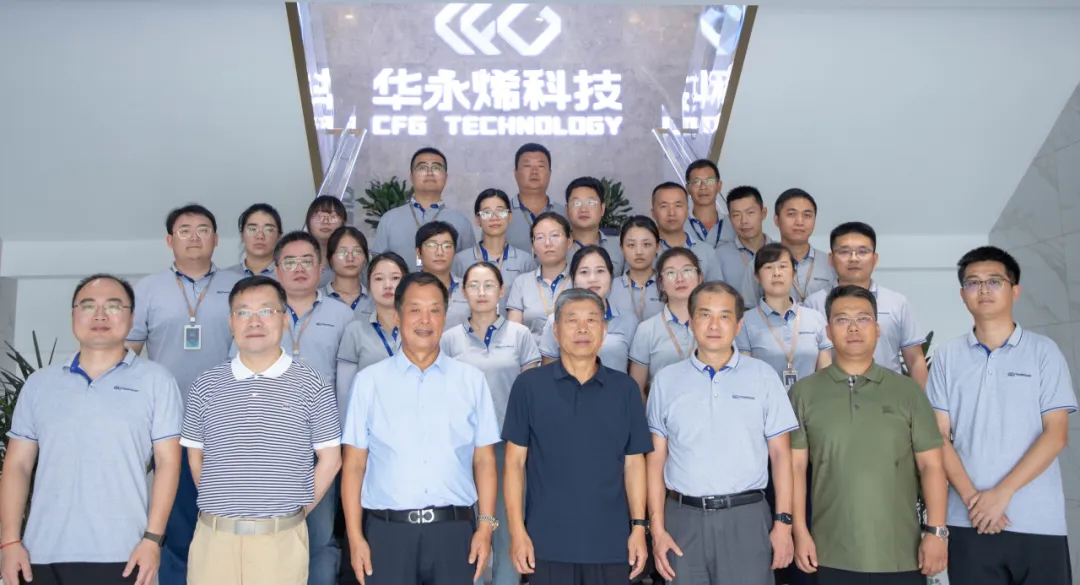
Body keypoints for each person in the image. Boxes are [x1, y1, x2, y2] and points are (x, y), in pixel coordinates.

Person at [0, 274, 182, 585]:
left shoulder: (157, 381)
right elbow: (17, 464)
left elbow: (168, 463)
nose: (100, 315)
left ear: (131, 318)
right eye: (88, 306)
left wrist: (153, 539)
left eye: (113, 306)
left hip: (124, 554)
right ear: (73, 315)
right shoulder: (40, 384)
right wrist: (9, 542)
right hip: (40, 553)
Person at [928, 246, 1075, 585]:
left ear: (1015, 290)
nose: (983, 289)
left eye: (994, 281)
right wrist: (974, 502)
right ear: (962, 294)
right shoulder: (948, 357)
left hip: (1038, 521)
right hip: (968, 520)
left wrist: (1002, 494)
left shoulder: (1044, 352)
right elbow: (938, 436)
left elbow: (1056, 434)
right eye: (973, 282)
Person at [341, 272, 500, 585]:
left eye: (434, 310)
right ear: (398, 316)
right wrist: (355, 537)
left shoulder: (471, 381)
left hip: (454, 532)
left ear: (445, 316)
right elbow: (355, 464)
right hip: (388, 533)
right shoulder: (369, 382)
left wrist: (485, 527)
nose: (425, 320)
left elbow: (484, 460)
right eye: (415, 309)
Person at [181, 275, 342, 585]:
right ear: (231, 322)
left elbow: (331, 459)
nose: (254, 321)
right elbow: (196, 457)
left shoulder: (313, 383)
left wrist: (294, 512)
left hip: (280, 542)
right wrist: (225, 507)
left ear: (284, 319)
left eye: (266, 311)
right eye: (243, 312)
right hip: (214, 541)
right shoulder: (205, 385)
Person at [790, 285, 948, 585]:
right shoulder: (803, 393)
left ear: (877, 329)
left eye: (863, 319)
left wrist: (936, 532)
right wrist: (799, 531)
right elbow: (795, 469)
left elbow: (932, 466)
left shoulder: (908, 392)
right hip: (829, 552)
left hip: (900, 553)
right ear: (828, 331)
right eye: (842, 319)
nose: (853, 328)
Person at [645, 281, 798, 585]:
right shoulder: (666, 380)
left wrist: (784, 523)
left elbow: (782, 455)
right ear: (690, 322)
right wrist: (657, 529)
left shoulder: (763, 377)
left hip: (746, 517)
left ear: (739, 325)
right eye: (705, 315)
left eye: (724, 316)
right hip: (683, 519)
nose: (714, 325)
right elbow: (656, 459)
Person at [503, 287, 652, 584]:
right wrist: (517, 532)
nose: (582, 329)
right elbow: (514, 464)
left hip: (611, 542)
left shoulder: (625, 389)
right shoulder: (529, 386)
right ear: (556, 332)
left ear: (604, 331)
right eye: (572, 320)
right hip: (546, 542)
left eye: (592, 320)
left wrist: (638, 526)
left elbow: (634, 462)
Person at [124, 204, 240, 585]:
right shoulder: (147, 289)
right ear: (169, 240)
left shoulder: (237, 285)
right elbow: (128, 355)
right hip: (169, 423)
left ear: (216, 240)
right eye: (184, 230)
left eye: (203, 229)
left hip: (226, 421)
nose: (194, 237)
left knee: (225, 521)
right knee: (175, 523)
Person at [249, 231, 353, 585]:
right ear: (276, 269)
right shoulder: (259, 314)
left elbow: (346, 383)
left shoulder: (342, 315)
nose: (298, 268)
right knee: (268, 534)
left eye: (307, 261)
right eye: (289, 262)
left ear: (321, 268)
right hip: (267, 444)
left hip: (321, 445)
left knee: (320, 536)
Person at [440, 261, 542, 585]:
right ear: (463, 291)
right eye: (473, 285)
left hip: (508, 445)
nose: (481, 292)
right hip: (463, 448)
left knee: (506, 523)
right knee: (468, 523)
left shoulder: (520, 335)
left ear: (501, 291)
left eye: (489, 286)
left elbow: (532, 394)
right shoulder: (449, 340)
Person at [803, 222, 928, 386]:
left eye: (862, 252)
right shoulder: (814, 304)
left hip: (888, 395)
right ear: (831, 259)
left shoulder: (897, 303)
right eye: (844, 252)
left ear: (875, 259)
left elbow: (915, 359)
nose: (854, 258)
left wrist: (922, 400)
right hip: (833, 395)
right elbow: (807, 360)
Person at [738, 243, 832, 388]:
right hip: (765, 400)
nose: (776, 273)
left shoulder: (815, 318)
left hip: (811, 400)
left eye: (783, 266)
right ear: (757, 277)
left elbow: (825, 375)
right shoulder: (745, 323)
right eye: (768, 267)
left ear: (793, 274)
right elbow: (745, 377)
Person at [372, 147, 477, 271]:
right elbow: (377, 267)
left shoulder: (461, 221)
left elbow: (468, 268)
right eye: (422, 168)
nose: (429, 173)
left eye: (436, 168)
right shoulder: (389, 219)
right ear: (411, 176)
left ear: (445, 177)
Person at [539, 246, 639, 373]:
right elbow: (547, 372)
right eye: (584, 272)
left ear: (611, 276)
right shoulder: (556, 320)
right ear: (573, 278)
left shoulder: (629, 321)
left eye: (600, 271)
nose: (592, 279)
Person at [335, 252, 408, 417]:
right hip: (370, 421)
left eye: (395, 278)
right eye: (379, 279)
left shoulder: (420, 328)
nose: (388, 285)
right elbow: (345, 391)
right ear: (368, 286)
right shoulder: (355, 330)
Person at [628, 248, 703, 397]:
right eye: (670, 273)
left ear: (700, 278)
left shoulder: (715, 323)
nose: (680, 279)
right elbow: (637, 389)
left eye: (687, 271)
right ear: (661, 283)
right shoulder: (647, 329)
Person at [452, 188, 537, 315]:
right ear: (478, 219)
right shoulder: (460, 261)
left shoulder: (525, 261)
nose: (494, 217)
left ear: (509, 217)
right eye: (487, 213)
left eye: (500, 211)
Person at [743, 189, 834, 304]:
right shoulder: (759, 263)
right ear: (776, 220)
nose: (799, 222)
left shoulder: (831, 263)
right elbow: (749, 308)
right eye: (791, 214)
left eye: (807, 215)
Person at [506, 211, 572, 344]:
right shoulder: (522, 282)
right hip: (532, 354)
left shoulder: (580, 280)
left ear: (569, 242)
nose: (548, 243)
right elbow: (514, 334)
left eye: (555, 235)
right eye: (540, 237)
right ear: (533, 246)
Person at [651, 182, 722, 281]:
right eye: (664, 206)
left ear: (687, 211)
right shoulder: (644, 251)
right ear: (653, 213)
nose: (671, 213)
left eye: (678, 205)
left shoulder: (706, 251)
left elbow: (716, 289)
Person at [506, 143, 566, 252]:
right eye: (527, 166)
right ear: (515, 173)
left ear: (550, 173)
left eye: (541, 166)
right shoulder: (501, 215)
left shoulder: (565, 214)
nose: (534, 172)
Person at [715, 186, 772, 297]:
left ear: (763, 213)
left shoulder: (782, 253)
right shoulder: (719, 256)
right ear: (730, 218)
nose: (744, 221)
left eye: (750, 213)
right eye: (736, 215)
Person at [416, 220, 471, 330]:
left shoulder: (469, 288)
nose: (439, 252)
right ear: (418, 252)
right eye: (431, 245)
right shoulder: (408, 289)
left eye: (447, 246)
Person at [565, 176, 625, 275]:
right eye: (576, 203)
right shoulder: (556, 246)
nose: (583, 209)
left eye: (590, 202)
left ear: (602, 209)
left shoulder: (620, 247)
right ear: (567, 210)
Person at [609, 216, 664, 323]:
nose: (639, 252)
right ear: (622, 248)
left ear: (658, 247)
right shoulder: (610, 288)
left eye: (646, 244)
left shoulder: (667, 285)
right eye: (631, 245)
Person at [684, 159, 735, 250]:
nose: (703, 187)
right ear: (687, 189)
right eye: (696, 182)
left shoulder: (734, 224)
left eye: (709, 181)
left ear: (719, 186)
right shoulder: (679, 226)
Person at [324, 225, 373, 318]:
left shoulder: (376, 301)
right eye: (342, 252)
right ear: (330, 259)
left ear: (365, 259)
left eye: (357, 251)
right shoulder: (316, 299)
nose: (350, 258)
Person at [304, 195, 348, 287]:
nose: (325, 222)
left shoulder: (354, 257)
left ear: (343, 222)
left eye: (333, 217)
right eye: (318, 217)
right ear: (308, 221)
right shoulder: (297, 257)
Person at [229, 203, 282, 278]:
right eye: (252, 229)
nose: (260, 236)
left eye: (268, 230)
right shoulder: (225, 276)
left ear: (278, 237)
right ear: (242, 235)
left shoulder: (288, 276)